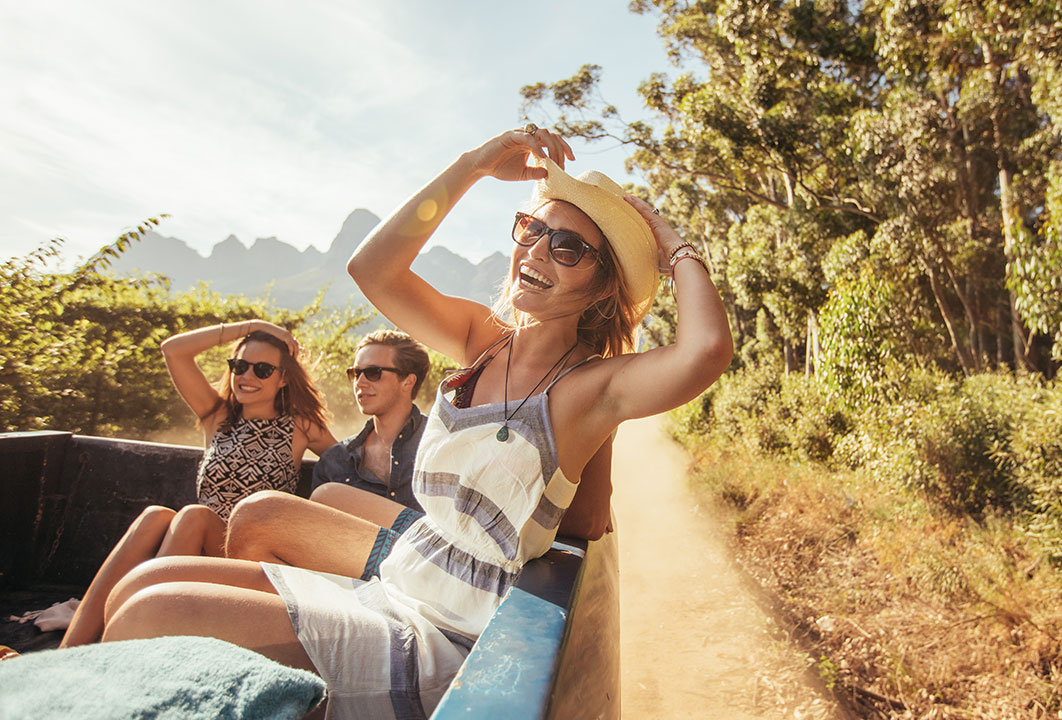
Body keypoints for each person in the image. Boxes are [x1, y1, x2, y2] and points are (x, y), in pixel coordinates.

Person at [94, 126, 733, 718]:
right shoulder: (483, 340)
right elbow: (372, 270)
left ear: (600, 287)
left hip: (445, 630)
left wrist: (674, 245)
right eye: (532, 230)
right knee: (143, 585)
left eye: (567, 247)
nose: (537, 251)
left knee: (150, 615)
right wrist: (474, 165)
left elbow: (703, 351)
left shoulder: (590, 388)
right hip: (400, 578)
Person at [60, 320, 337, 648]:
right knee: (155, 517)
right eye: (240, 366)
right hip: (201, 548)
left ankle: (121, 643)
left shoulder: (301, 427)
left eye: (262, 370)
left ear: (283, 379)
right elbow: (173, 350)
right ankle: (69, 650)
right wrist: (253, 325)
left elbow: (348, 466)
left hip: (252, 555)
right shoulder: (217, 416)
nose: (247, 377)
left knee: (194, 516)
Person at [308, 329, 433, 514]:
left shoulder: (440, 446)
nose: (360, 383)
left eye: (373, 372)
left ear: (408, 382)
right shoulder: (335, 461)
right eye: (356, 373)